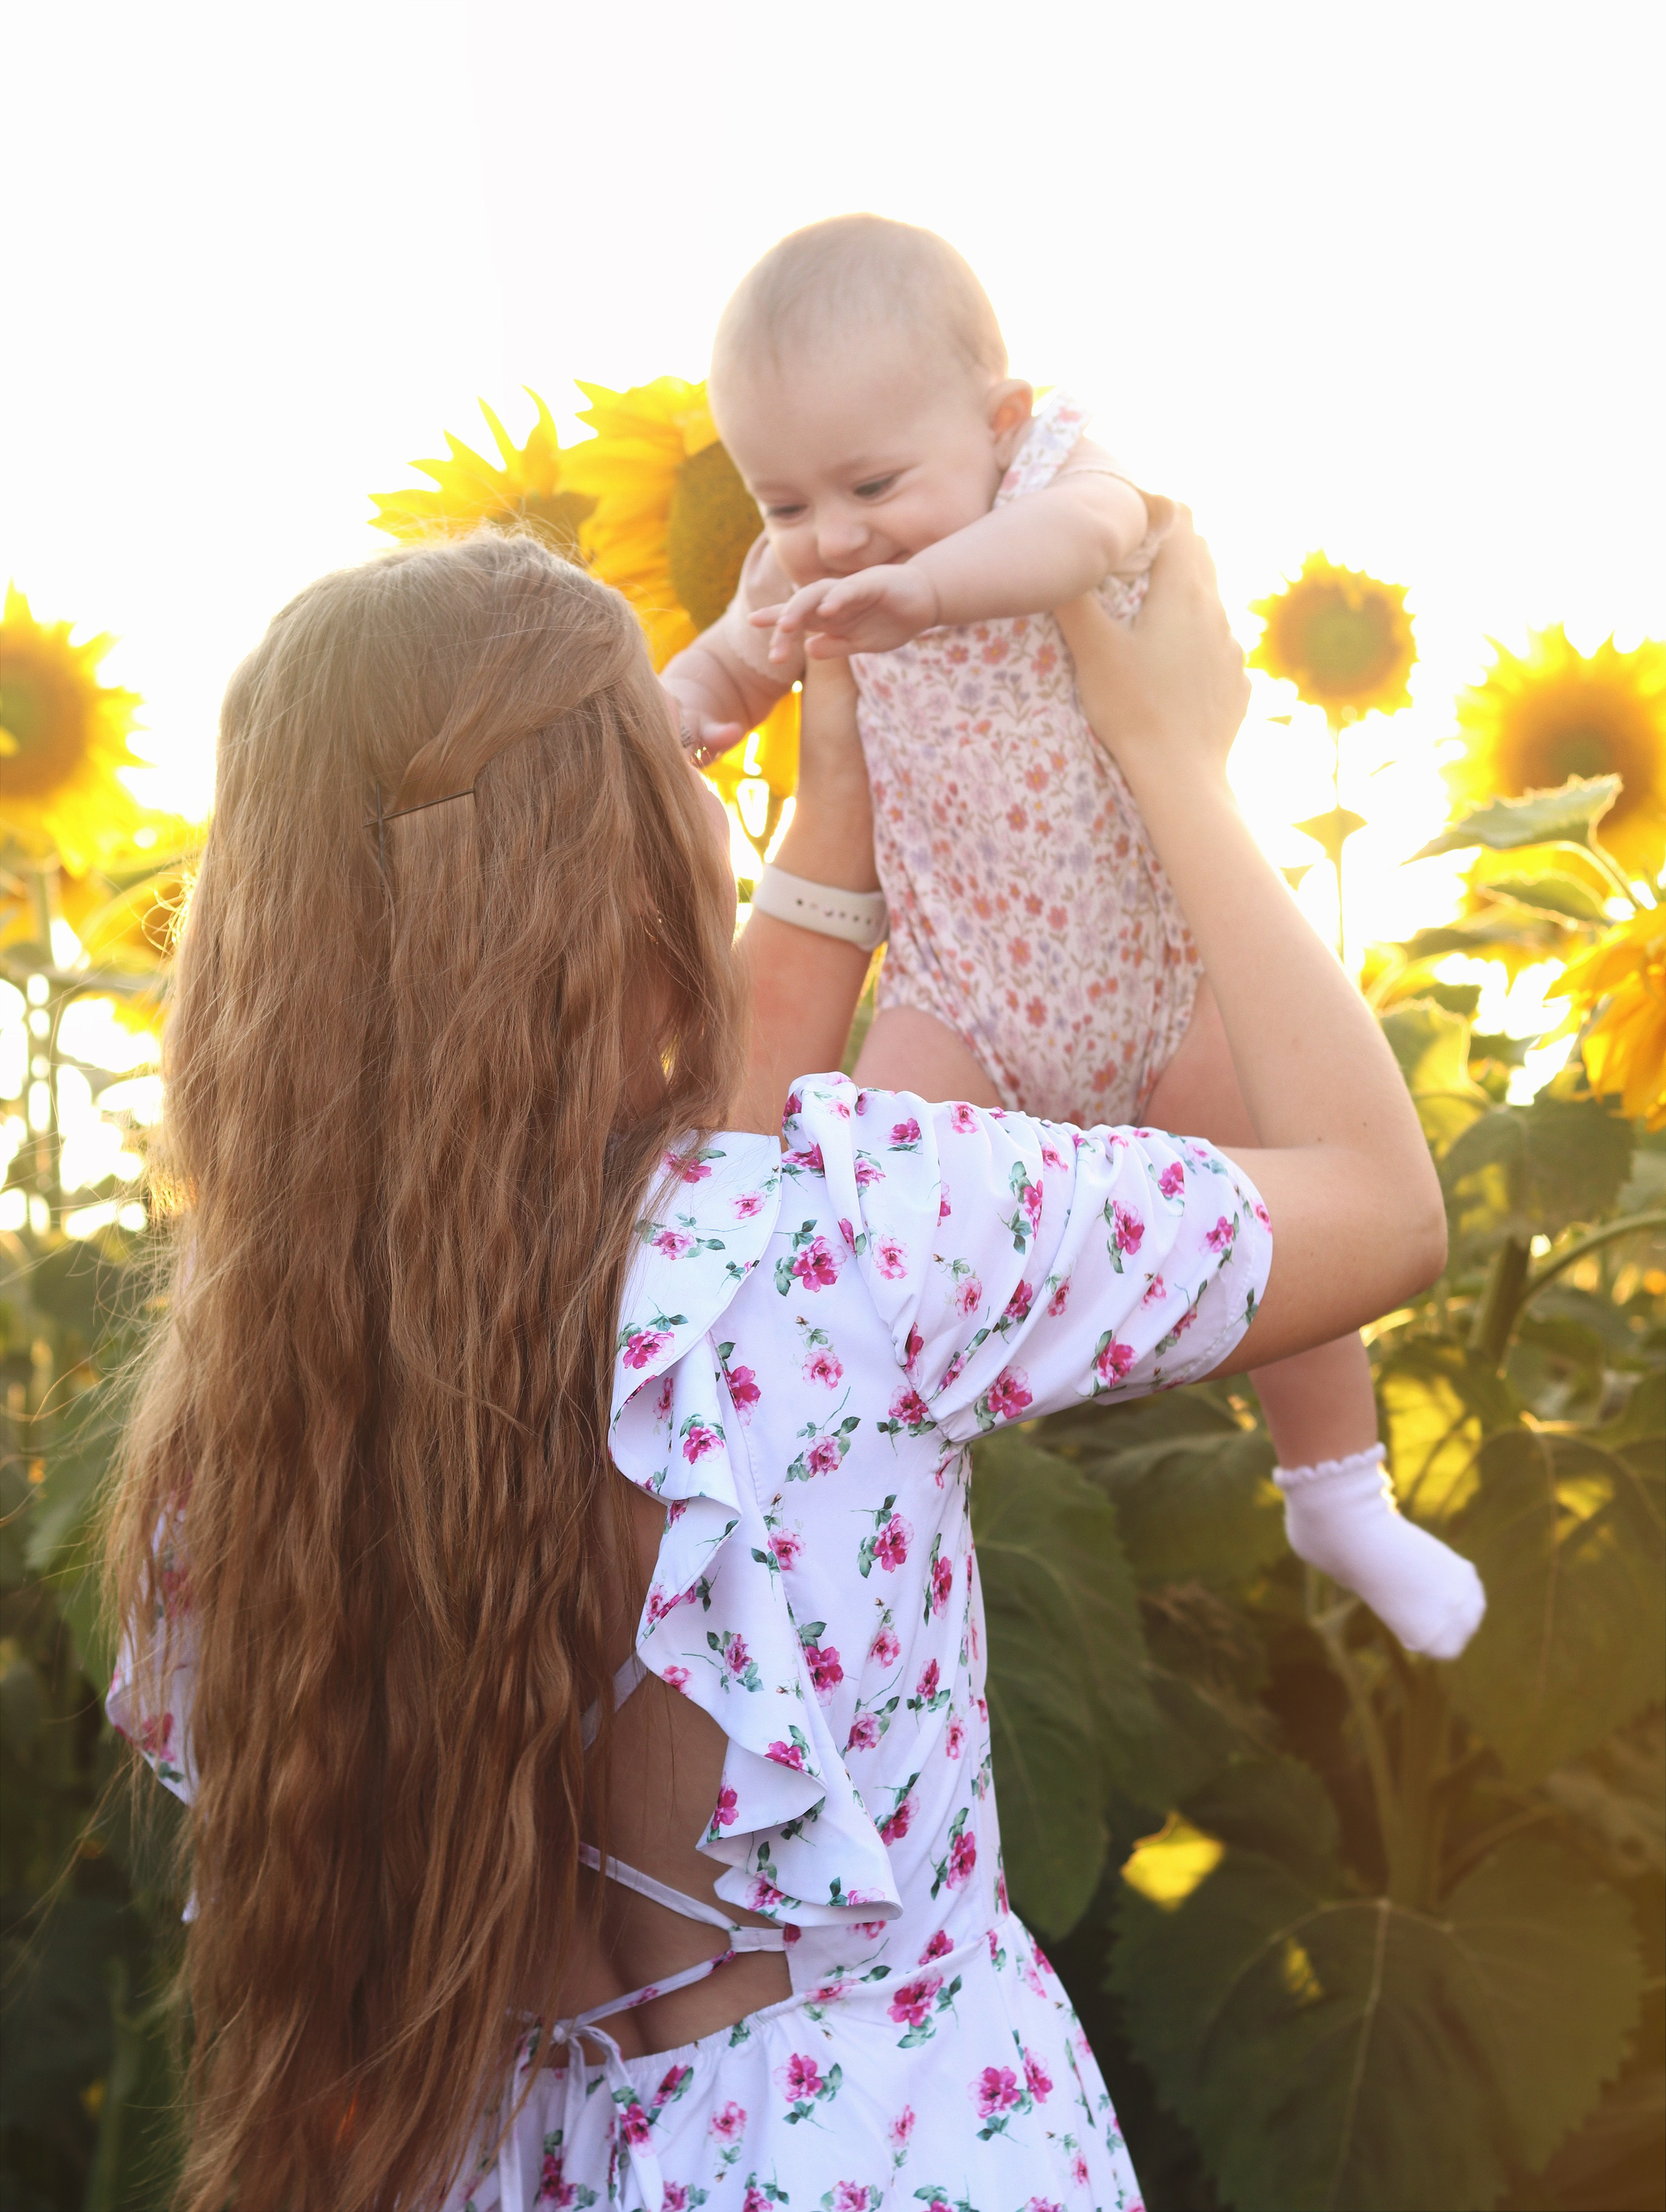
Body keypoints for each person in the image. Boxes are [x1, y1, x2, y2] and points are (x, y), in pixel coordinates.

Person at [104, 517, 1450, 2212]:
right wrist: (1173, 754)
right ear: (653, 862)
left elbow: (522, 984)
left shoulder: (242, 1428)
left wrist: (806, 809)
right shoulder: (856, 1240)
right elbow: (1383, 1208)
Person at [662, 213, 1483, 1662]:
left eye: (871, 483)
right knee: (858, 1220)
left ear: (997, 420)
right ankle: (884, 1504)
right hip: (959, 990)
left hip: (1155, 976)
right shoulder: (811, 565)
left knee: (1297, 1207)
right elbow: (736, 659)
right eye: (781, 500)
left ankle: (1334, 1489)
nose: (831, 537)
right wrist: (680, 707)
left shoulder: (1051, 471)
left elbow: (1089, 537)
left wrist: (929, 588)